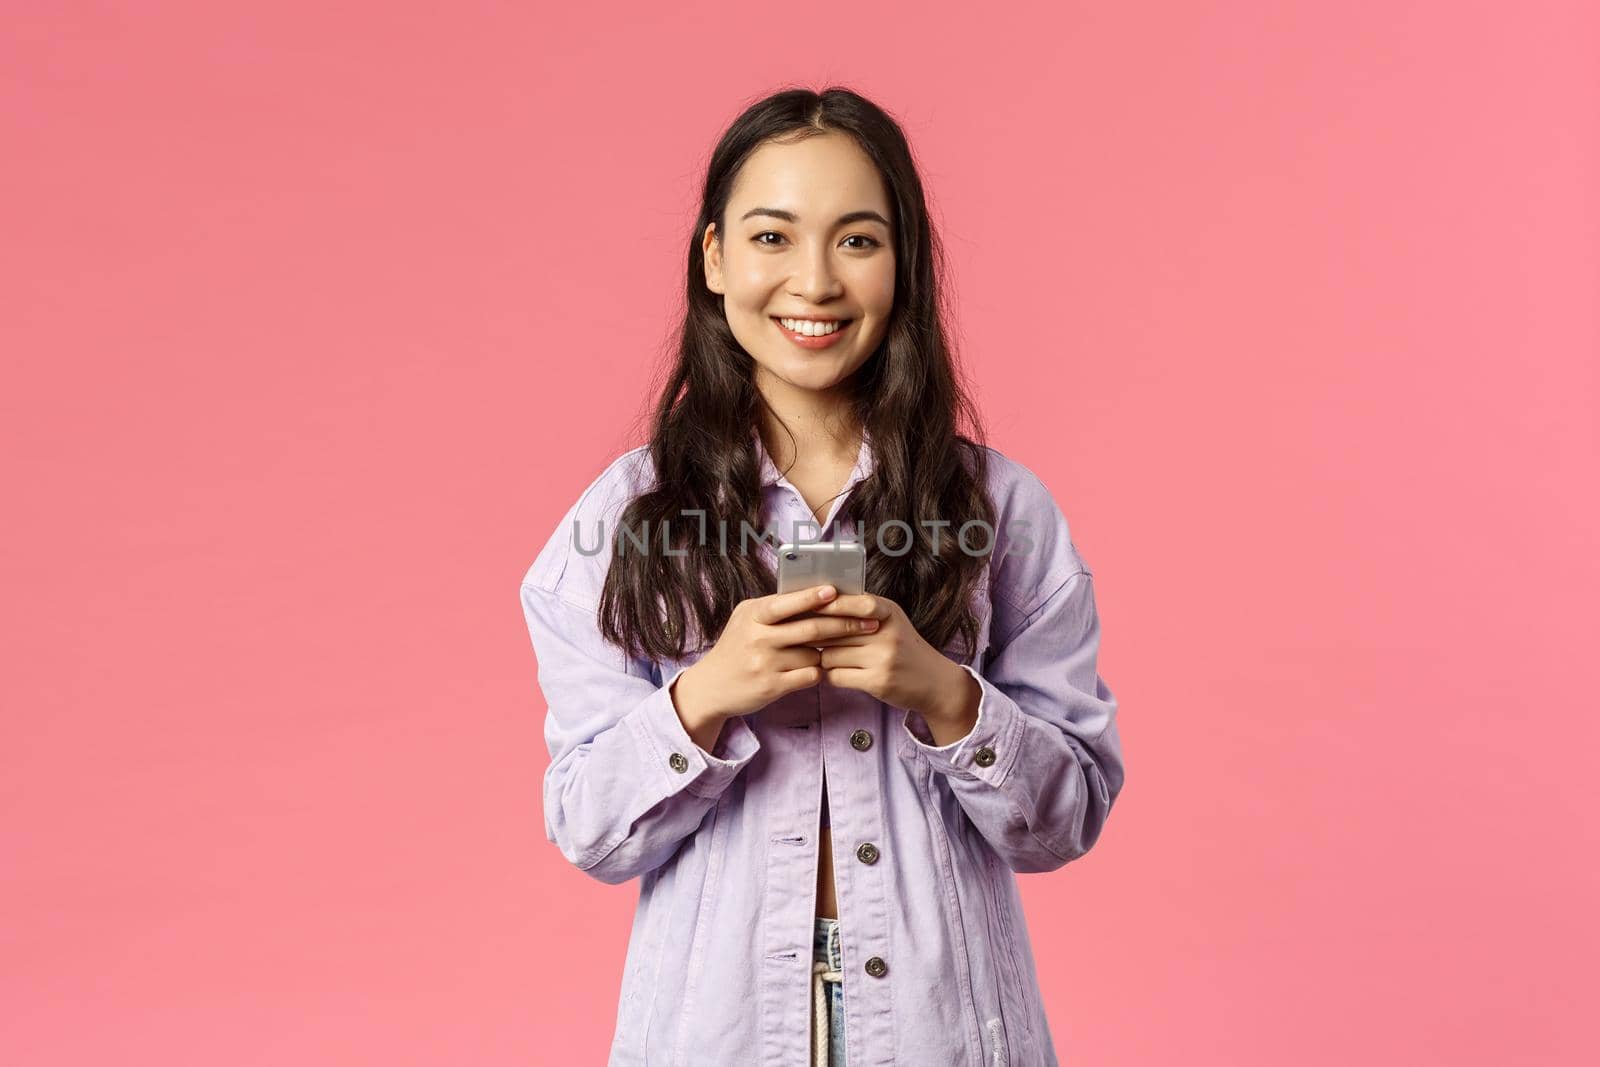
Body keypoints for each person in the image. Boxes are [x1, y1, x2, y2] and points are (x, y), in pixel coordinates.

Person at [519, 85, 1126, 1067]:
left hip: (948, 1031)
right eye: (770, 237)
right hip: (713, 1032)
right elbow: (590, 831)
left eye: (856, 240)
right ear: (714, 257)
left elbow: (1061, 822)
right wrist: (706, 696)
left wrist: (941, 691)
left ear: (904, 265)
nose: (813, 281)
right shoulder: (622, 519)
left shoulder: (1002, 513)